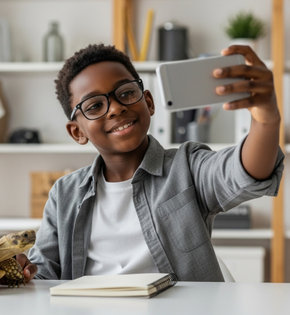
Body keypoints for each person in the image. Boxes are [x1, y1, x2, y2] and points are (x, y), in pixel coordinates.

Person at [17, 44, 284, 282]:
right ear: (77, 132)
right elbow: (43, 273)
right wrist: (20, 271)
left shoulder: (187, 168)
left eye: (125, 92)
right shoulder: (64, 194)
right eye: (95, 106)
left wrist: (266, 118)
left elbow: (246, 171)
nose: (115, 108)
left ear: (148, 102)